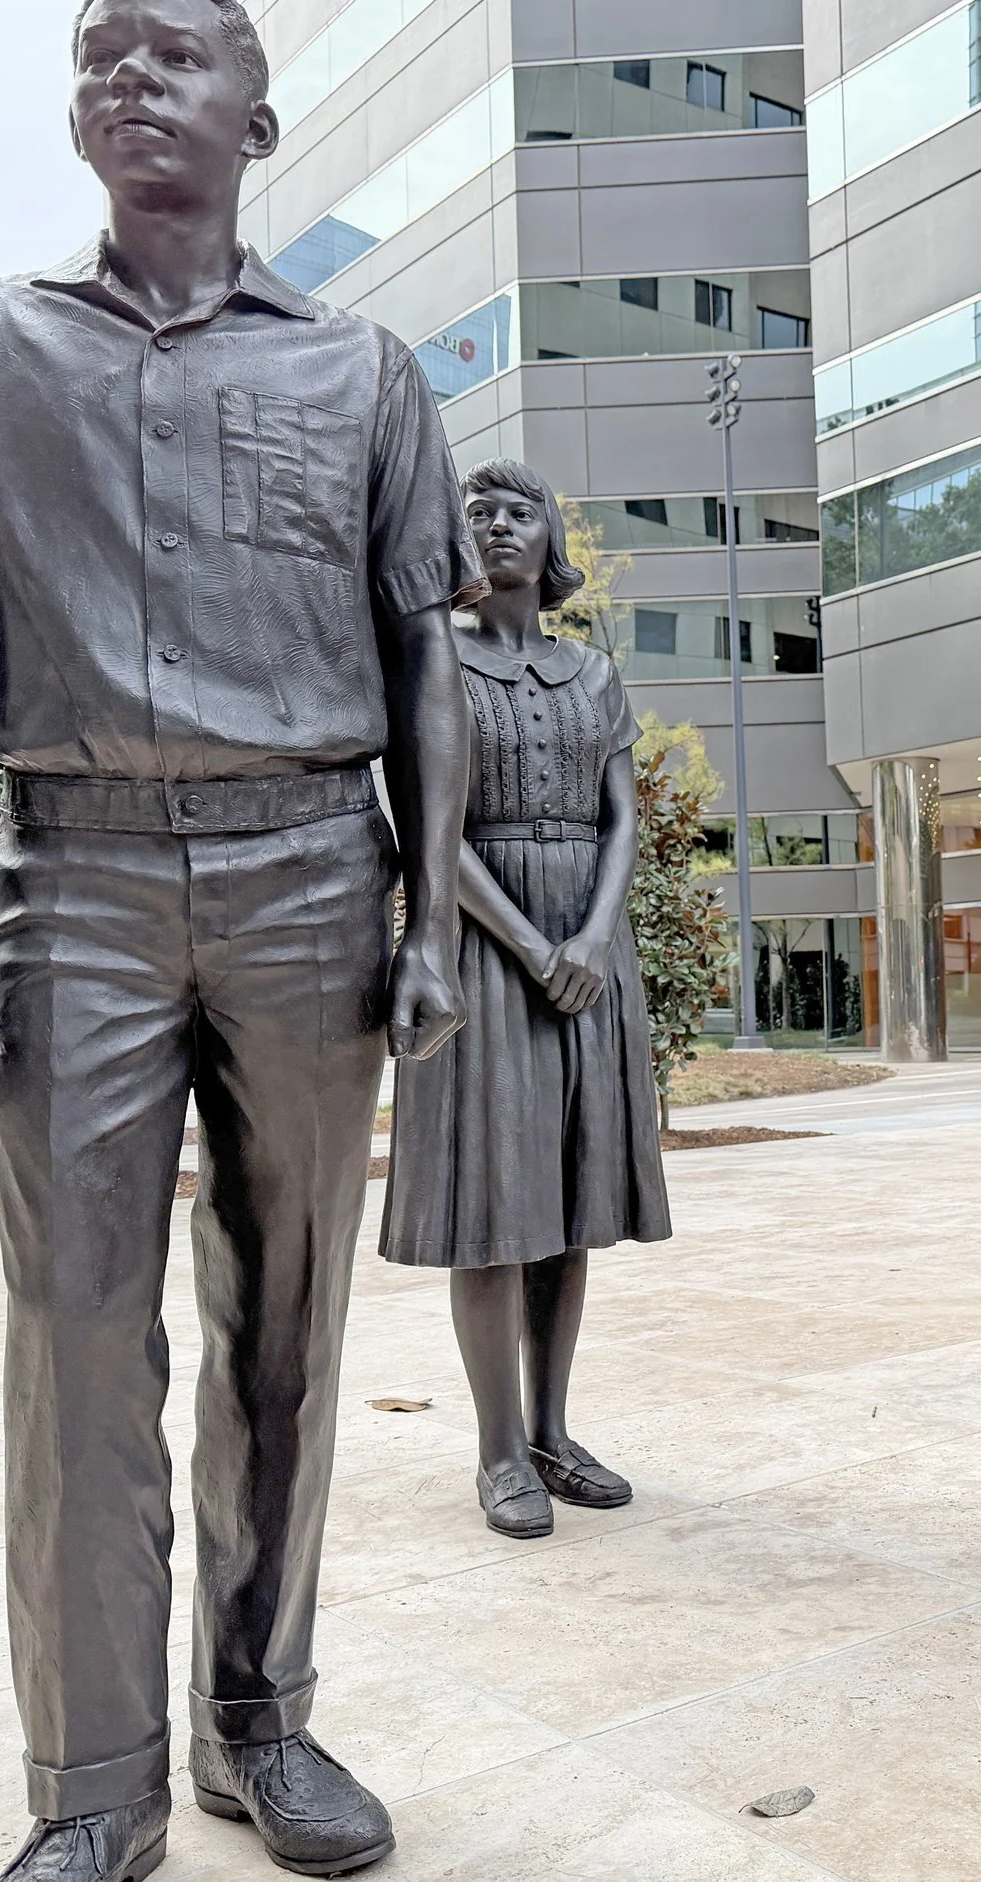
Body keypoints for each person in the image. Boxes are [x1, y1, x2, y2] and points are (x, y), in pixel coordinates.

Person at [0, 3, 481, 1875]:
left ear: (259, 122)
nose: (125, 71)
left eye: (173, 49)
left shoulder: (364, 370)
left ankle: (259, 1720)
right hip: (79, 880)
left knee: (287, 1324)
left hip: (309, 869)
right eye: (96, 50)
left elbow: (427, 646)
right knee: (74, 1337)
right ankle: (97, 1784)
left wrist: (432, 908)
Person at [382, 459, 672, 1535]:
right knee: (493, 1209)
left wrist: (592, 936)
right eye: (479, 512)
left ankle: (552, 1429)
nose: (499, 524)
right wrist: (526, 942)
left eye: (519, 512)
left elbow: (624, 816)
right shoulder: (429, 663)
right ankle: (498, 1449)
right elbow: (431, 828)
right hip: (481, 940)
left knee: (569, 1204)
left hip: (590, 946)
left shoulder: (593, 674)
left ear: (552, 543)